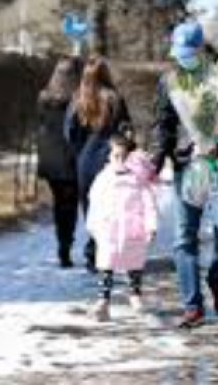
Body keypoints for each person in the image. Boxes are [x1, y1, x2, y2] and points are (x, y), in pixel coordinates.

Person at [151, 21, 218, 328]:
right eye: (179, 55)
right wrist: (156, 158)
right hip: (188, 164)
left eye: (189, 54)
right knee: (183, 237)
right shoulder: (168, 81)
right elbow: (162, 124)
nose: (184, 60)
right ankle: (193, 306)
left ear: (202, 49)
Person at [64, 57, 131, 272]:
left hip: (85, 161)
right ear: (105, 74)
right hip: (110, 160)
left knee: (91, 209)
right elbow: (126, 131)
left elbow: (69, 132)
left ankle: (93, 255)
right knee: (110, 210)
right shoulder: (115, 99)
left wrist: (79, 152)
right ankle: (107, 253)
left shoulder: (78, 99)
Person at [86, 129, 158, 321]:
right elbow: (94, 202)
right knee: (106, 264)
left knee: (134, 263)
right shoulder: (103, 178)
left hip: (132, 228)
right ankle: (103, 302)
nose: (119, 160)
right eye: (115, 156)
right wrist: (93, 225)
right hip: (108, 229)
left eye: (123, 156)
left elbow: (149, 204)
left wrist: (151, 226)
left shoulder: (138, 180)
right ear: (109, 156)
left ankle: (135, 295)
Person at [36, 56, 84, 268]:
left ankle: (63, 246)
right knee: (70, 205)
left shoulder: (43, 97)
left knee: (60, 204)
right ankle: (66, 245)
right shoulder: (78, 100)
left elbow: (42, 125)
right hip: (70, 157)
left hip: (51, 158)